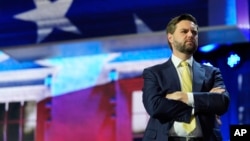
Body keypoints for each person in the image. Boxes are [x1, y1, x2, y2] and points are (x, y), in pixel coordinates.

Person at [141, 13, 230, 141]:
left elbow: (222, 102)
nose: (190, 35)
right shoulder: (154, 73)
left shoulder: (212, 72)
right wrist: (204, 104)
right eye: (184, 31)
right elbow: (155, 107)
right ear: (170, 37)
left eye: (194, 32)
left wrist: (184, 97)